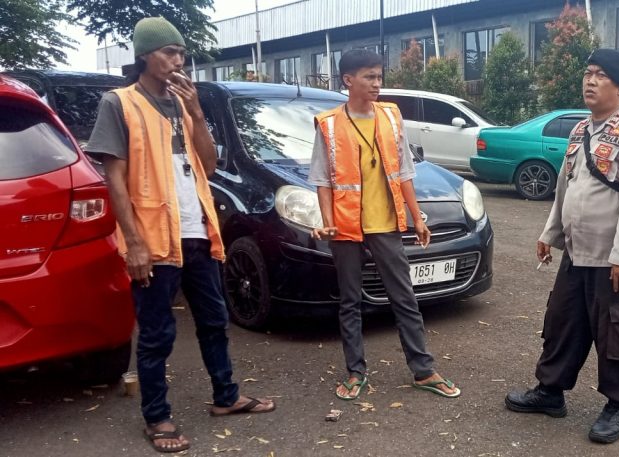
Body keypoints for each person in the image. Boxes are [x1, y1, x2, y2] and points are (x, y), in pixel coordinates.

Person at [86, 17, 275, 453]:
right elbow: (114, 179)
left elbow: (207, 167)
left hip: (197, 231)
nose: (177, 61)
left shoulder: (181, 104)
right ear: (145, 56)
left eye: (182, 55)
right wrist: (132, 242)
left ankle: (226, 397)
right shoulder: (119, 103)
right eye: (169, 52)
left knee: (213, 321)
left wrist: (196, 113)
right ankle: (157, 417)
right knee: (156, 333)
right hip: (151, 240)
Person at [504, 49, 619, 444]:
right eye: (588, 73)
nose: (590, 81)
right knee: (563, 323)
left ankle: (618, 407)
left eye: (601, 75)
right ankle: (550, 392)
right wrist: (549, 234)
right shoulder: (580, 130)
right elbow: (564, 188)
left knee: (617, 333)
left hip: (616, 260)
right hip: (577, 252)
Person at [308, 49, 460, 401]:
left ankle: (423, 370)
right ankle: (355, 372)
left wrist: (416, 216)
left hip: (386, 224)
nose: (378, 83)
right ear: (348, 80)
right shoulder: (329, 124)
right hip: (346, 228)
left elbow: (404, 170)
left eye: (379, 76)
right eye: (369, 77)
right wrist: (328, 223)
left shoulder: (391, 116)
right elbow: (321, 180)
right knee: (350, 301)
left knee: (404, 297)